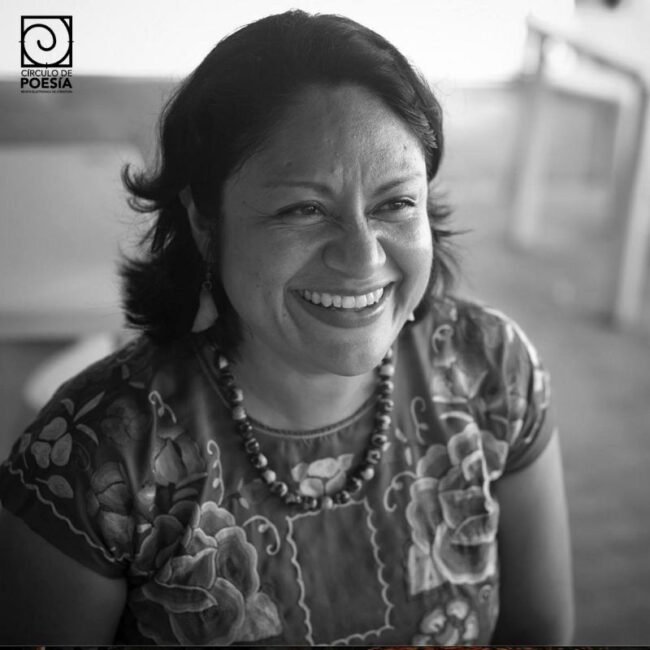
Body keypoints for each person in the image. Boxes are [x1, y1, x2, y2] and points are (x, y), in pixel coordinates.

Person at [0, 10, 573, 645]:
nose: (362, 257)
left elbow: (537, 631)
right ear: (205, 223)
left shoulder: (492, 372)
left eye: (395, 203)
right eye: (304, 209)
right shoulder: (94, 458)